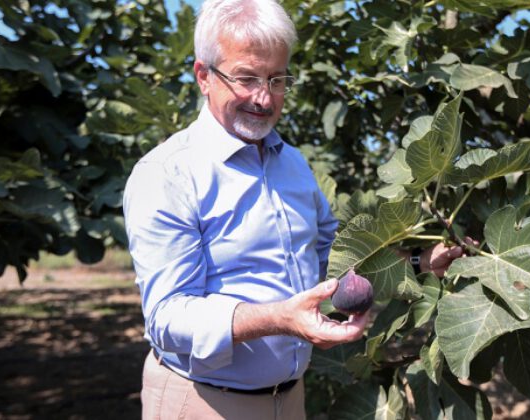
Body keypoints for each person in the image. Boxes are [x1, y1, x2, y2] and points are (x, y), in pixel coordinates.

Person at [122, 1, 466, 418]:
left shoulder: (294, 165)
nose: (264, 98)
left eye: (277, 78)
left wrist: (418, 261)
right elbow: (167, 316)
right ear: (204, 77)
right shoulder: (168, 174)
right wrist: (280, 319)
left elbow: (336, 260)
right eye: (246, 78)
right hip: (201, 402)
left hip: (289, 399)